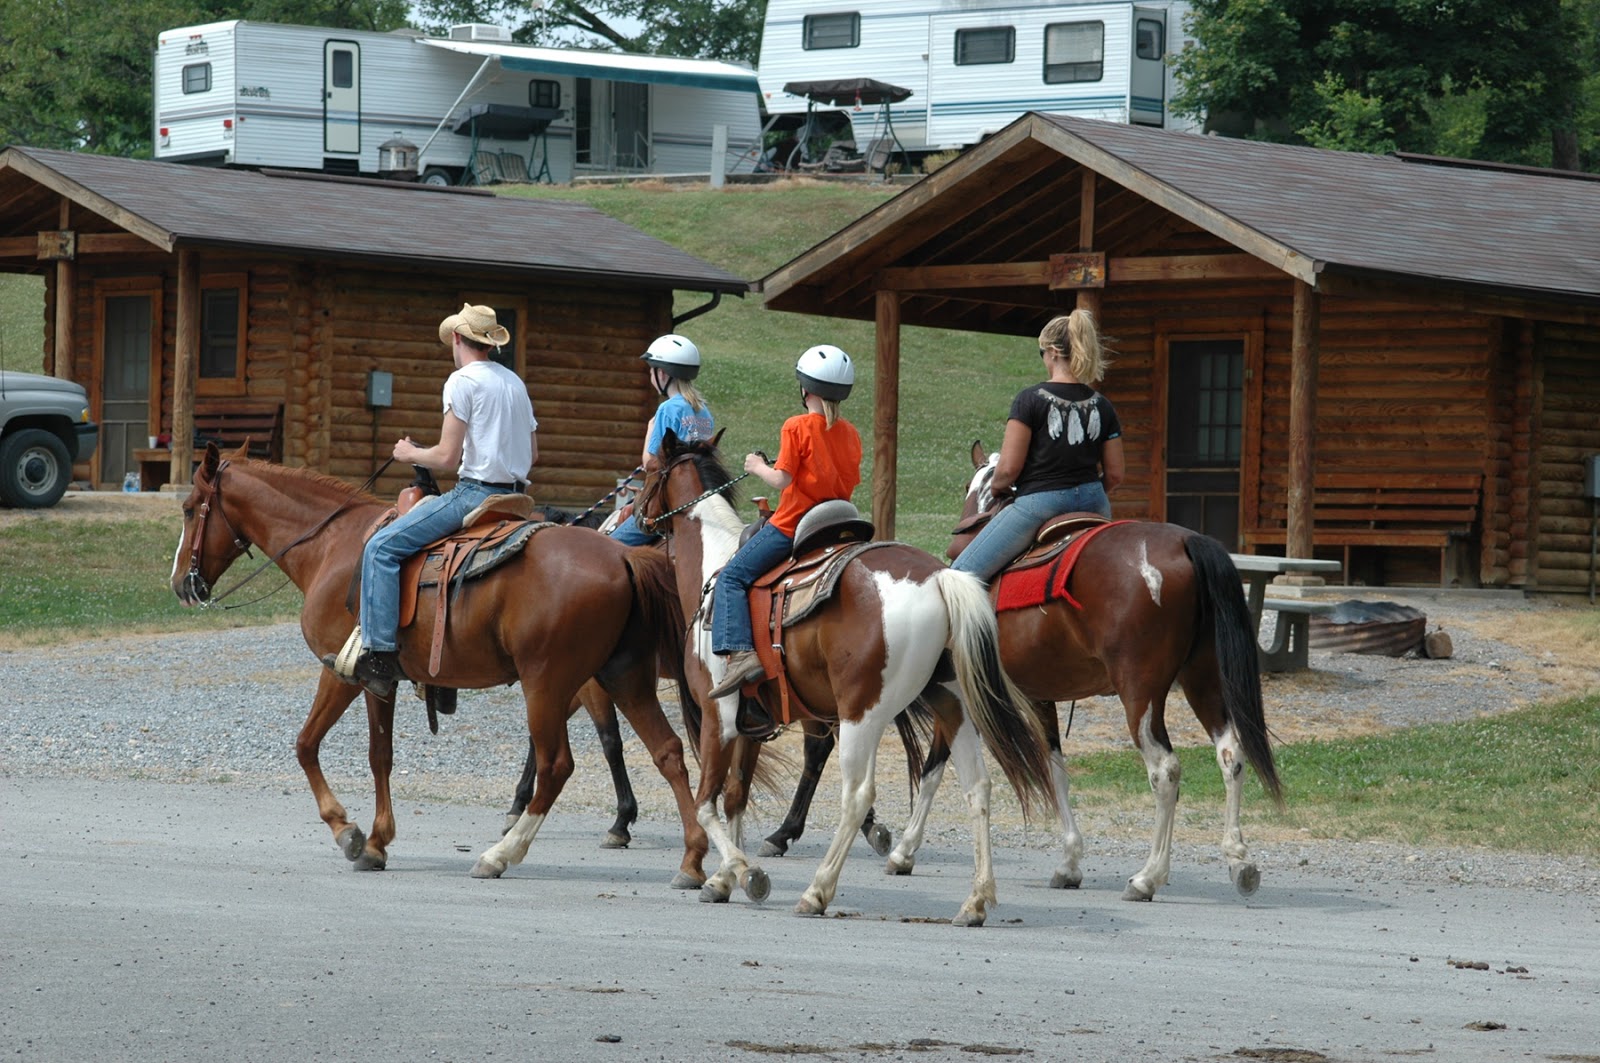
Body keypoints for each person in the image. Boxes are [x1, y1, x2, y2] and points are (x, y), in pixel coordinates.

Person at [325, 303, 537, 697]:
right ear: (489, 342)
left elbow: (445, 458)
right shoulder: (514, 383)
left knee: (380, 547)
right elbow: (533, 454)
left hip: (476, 493)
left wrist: (408, 454)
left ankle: (379, 655)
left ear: (457, 338)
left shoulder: (462, 381)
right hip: (517, 497)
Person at [705, 344, 862, 700]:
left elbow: (782, 481)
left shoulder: (796, 425)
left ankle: (742, 654)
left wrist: (757, 467)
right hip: (837, 525)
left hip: (794, 525)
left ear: (805, 388)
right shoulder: (851, 433)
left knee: (731, 576)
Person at [950, 308, 1124, 584]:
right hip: (1095, 504)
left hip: (1040, 504)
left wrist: (997, 488)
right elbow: (1115, 474)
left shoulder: (1029, 399)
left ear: (1053, 352)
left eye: (1041, 352)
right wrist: (1088, 493)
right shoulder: (1103, 405)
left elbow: (1007, 470)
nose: (1042, 358)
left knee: (959, 576)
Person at [610, 334, 715, 546]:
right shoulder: (703, 410)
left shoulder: (667, 409)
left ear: (662, 373)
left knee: (610, 547)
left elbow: (651, 463)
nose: (650, 376)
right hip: (699, 495)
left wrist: (650, 428)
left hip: (670, 500)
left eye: (651, 370)